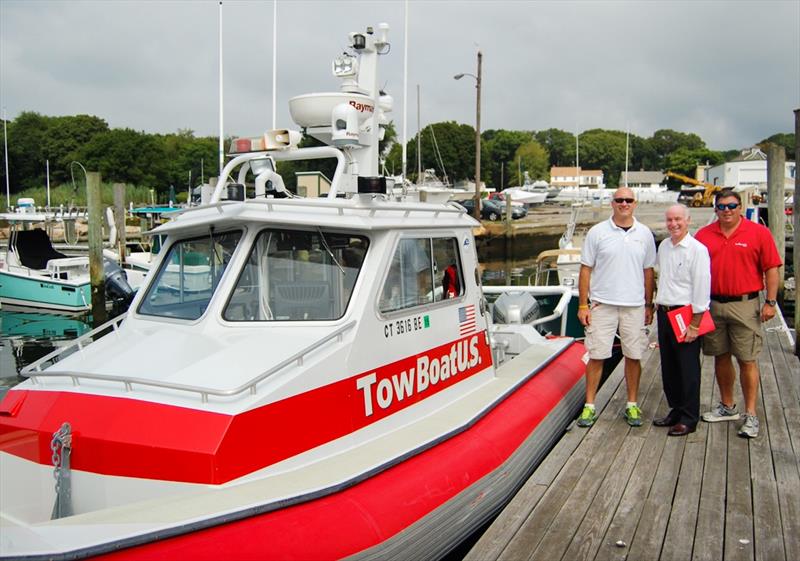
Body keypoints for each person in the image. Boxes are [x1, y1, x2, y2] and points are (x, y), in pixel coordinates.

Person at [695, 189, 781, 438]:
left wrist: (771, 302)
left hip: (745, 304)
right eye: (721, 206)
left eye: (732, 206)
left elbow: (772, 269)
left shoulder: (758, 233)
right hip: (713, 304)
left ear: (740, 207)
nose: (727, 211)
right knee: (720, 356)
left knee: (747, 359)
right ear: (715, 209)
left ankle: (751, 414)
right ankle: (727, 406)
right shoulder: (704, 235)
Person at [577, 187, 656, 428]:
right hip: (603, 304)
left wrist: (649, 304)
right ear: (612, 203)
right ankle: (589, 406)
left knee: (633, 356)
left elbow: (648, 271)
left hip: (634, 306)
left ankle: (632, 404)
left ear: (635, 204)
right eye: (619, 200)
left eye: (628, 200)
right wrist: (583, 304)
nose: (624, 203)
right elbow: (585, 269)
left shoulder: (644, 233)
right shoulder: (597, 232)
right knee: (597, 355)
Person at [653, 204, 711, 436]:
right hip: (664, 312)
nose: (673, 224)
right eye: (669, 220)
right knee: (669, 367)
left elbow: (701, 288)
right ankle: (675, 409)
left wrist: (695, 324)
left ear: (688, 221)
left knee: (688, 368)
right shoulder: (664, 246)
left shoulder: (697, 250)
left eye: (678, 219)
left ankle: (689, 417)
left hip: (685, 314)